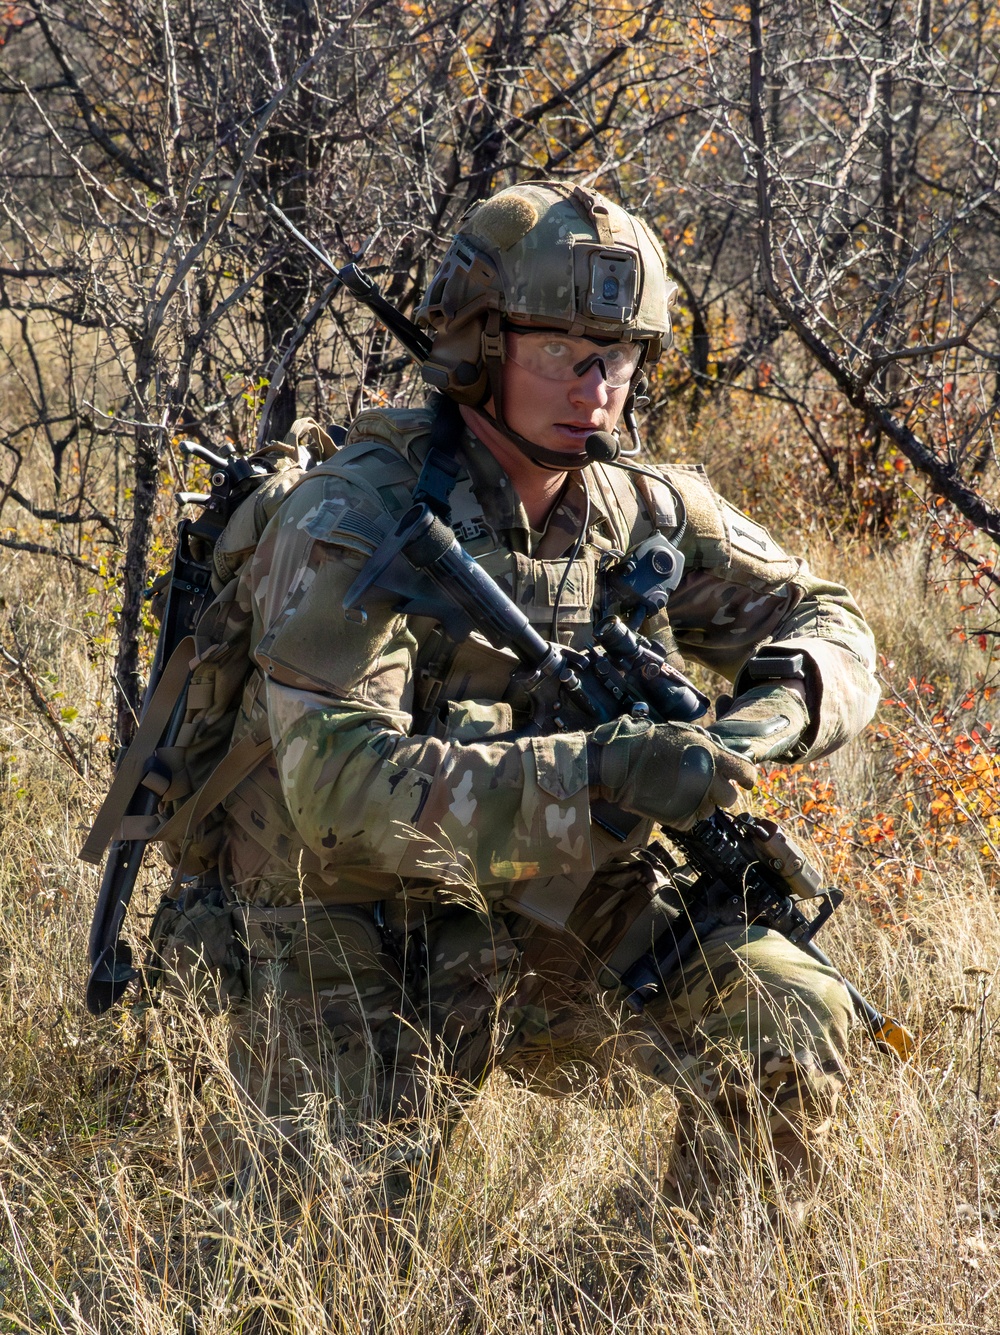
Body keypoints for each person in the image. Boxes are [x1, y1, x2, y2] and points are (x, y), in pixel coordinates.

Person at [195, 181, 879, 1210]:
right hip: (350, 911)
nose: (595, 386)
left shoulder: (637, 506)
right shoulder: (351, 518)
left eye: (619, 356)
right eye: (561, 351)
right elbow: (336, 793)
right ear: (479, 344)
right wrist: (602, 773)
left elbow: (827, 617)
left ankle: (675, 1293)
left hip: (558, 893)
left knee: (788, 1015)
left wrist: (755, 724)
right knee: (333, 1232)